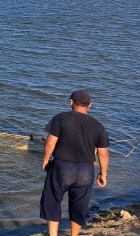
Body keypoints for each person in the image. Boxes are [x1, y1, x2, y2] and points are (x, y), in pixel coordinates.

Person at [40, 90, 109, 236]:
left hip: (62, 167)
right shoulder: (98, 126)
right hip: (86, 170)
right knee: (79, 205)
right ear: (89, 105)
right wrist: (103, 174)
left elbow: (50, 143)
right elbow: (103, 153)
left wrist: (46, 160)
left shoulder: (61, 118)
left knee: (52, 200)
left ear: (71, 102)